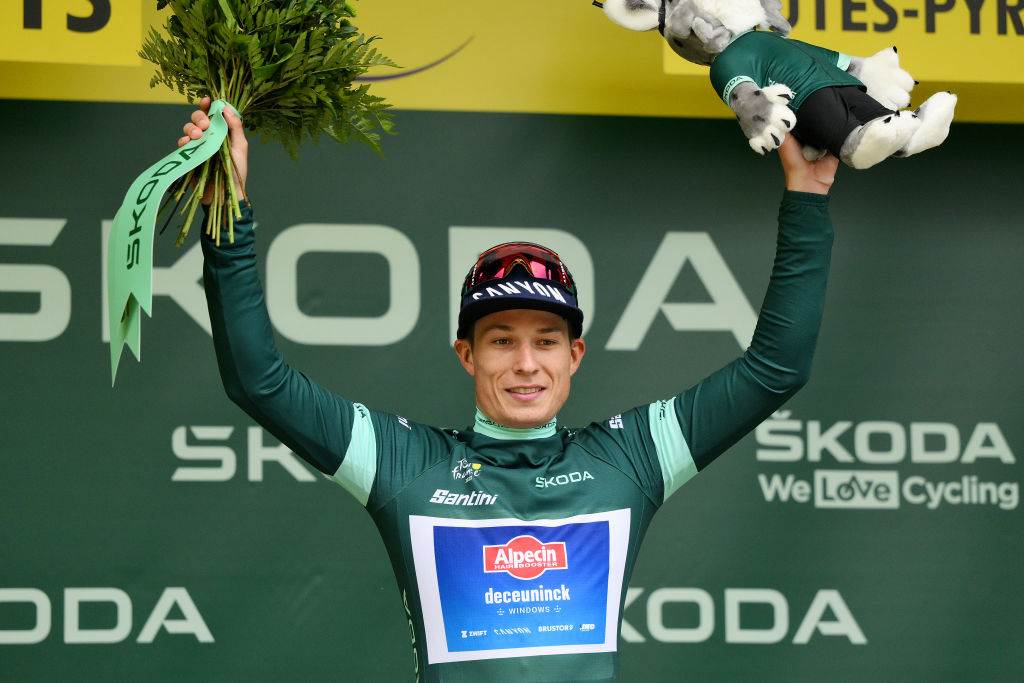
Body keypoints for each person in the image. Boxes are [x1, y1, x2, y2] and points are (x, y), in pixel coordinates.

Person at [182, 97, 837, 682]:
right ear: (466, 353)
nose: (526, 362)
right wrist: (227, 215)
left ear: (574, 354)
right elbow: (258, 380)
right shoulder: (407, 464)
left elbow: (776, 367)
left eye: (546, 339)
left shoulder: (629, 460)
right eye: (501, 339)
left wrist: (806, 195)